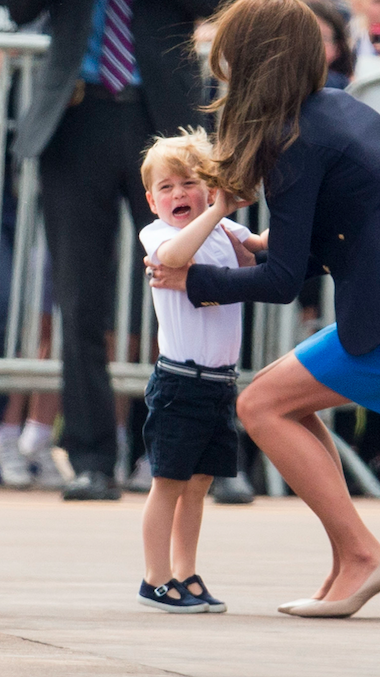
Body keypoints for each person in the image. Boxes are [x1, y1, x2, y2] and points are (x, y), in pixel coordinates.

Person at [147, 0, 380, 618]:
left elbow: (285, 280)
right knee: (282, 400)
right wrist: (261, 246)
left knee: (260, 404)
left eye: (228, 55)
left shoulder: (294, 141)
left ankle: (364, 556)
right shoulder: (333, 110)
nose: (219, 66)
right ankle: (350, 560)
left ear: (251, 61)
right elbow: (322, 242)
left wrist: (196, 283)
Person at [4, 0, 237, 501]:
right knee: (81, 301)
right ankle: (90, 459)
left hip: (164, 129)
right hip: (76, 120)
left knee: (195, 287)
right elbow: (16, 0)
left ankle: (191, 454)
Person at [137, 128, 266, 612]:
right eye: (165, 188)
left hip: (218, 383)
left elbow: (258, 248)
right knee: (167, 483)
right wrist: (217, 209)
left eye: (188, 183)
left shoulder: (226, 230)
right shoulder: (161, 232)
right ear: (152, 201)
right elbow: (172, 259)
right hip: (178, 382)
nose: (177, 195)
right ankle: (155, 578)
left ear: (209, 186)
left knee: (198, 485)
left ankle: (185, 572)